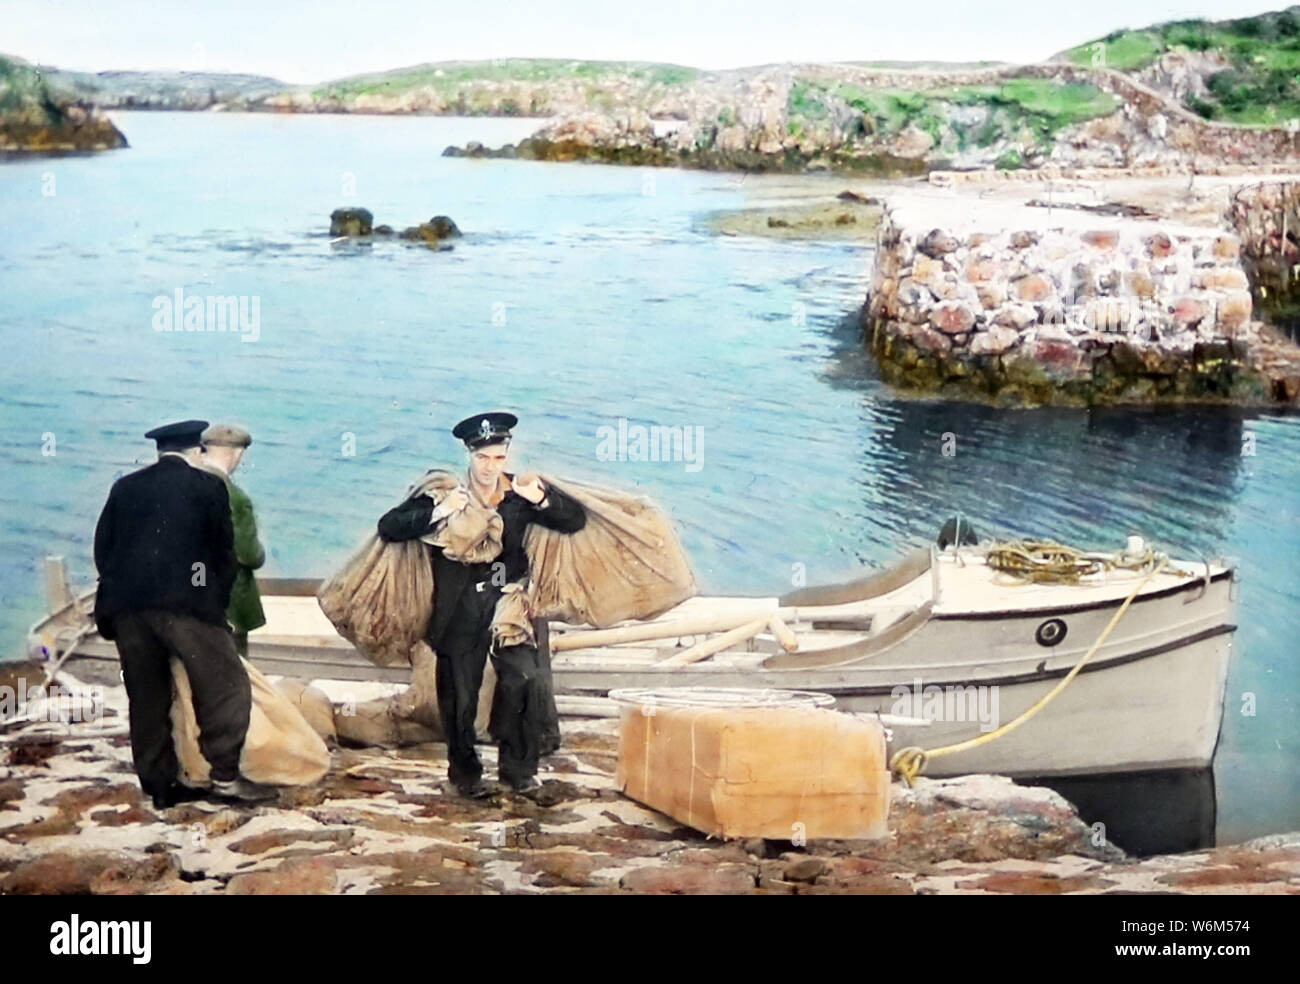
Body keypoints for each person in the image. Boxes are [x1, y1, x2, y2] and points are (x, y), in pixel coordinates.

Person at [377, 412, 586, 799]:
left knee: (523, 678)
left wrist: (541, 499)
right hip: (459, 605)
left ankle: (518, 771)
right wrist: (440, 512)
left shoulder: (518, 493)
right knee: (459, 693)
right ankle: (465, 774)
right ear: (469, 454)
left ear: (506, 454)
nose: (490, 467)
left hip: (507, 601)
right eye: (483, 458)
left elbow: (574, 520)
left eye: (498, 458)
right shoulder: (446, 493)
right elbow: (389, 526)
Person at [93, 420, 270, 808]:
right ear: (197, 451)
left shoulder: (125, 487)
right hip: (186, 607)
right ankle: (223, 777)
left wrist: (121, 593)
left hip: (128, 609)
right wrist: (214, 603)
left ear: (160, 451)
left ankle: (159, 786)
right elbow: (222, 557)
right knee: (225, 687)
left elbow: (104, 550)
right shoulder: (207, 488)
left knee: (146, 697)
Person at [201, 424, 267, 656]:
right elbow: (248, 554)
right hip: (228, 599)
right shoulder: (236, 498)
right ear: (236, 454)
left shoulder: (186, 485)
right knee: (236, 668)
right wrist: (261, 553)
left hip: (192, 591)